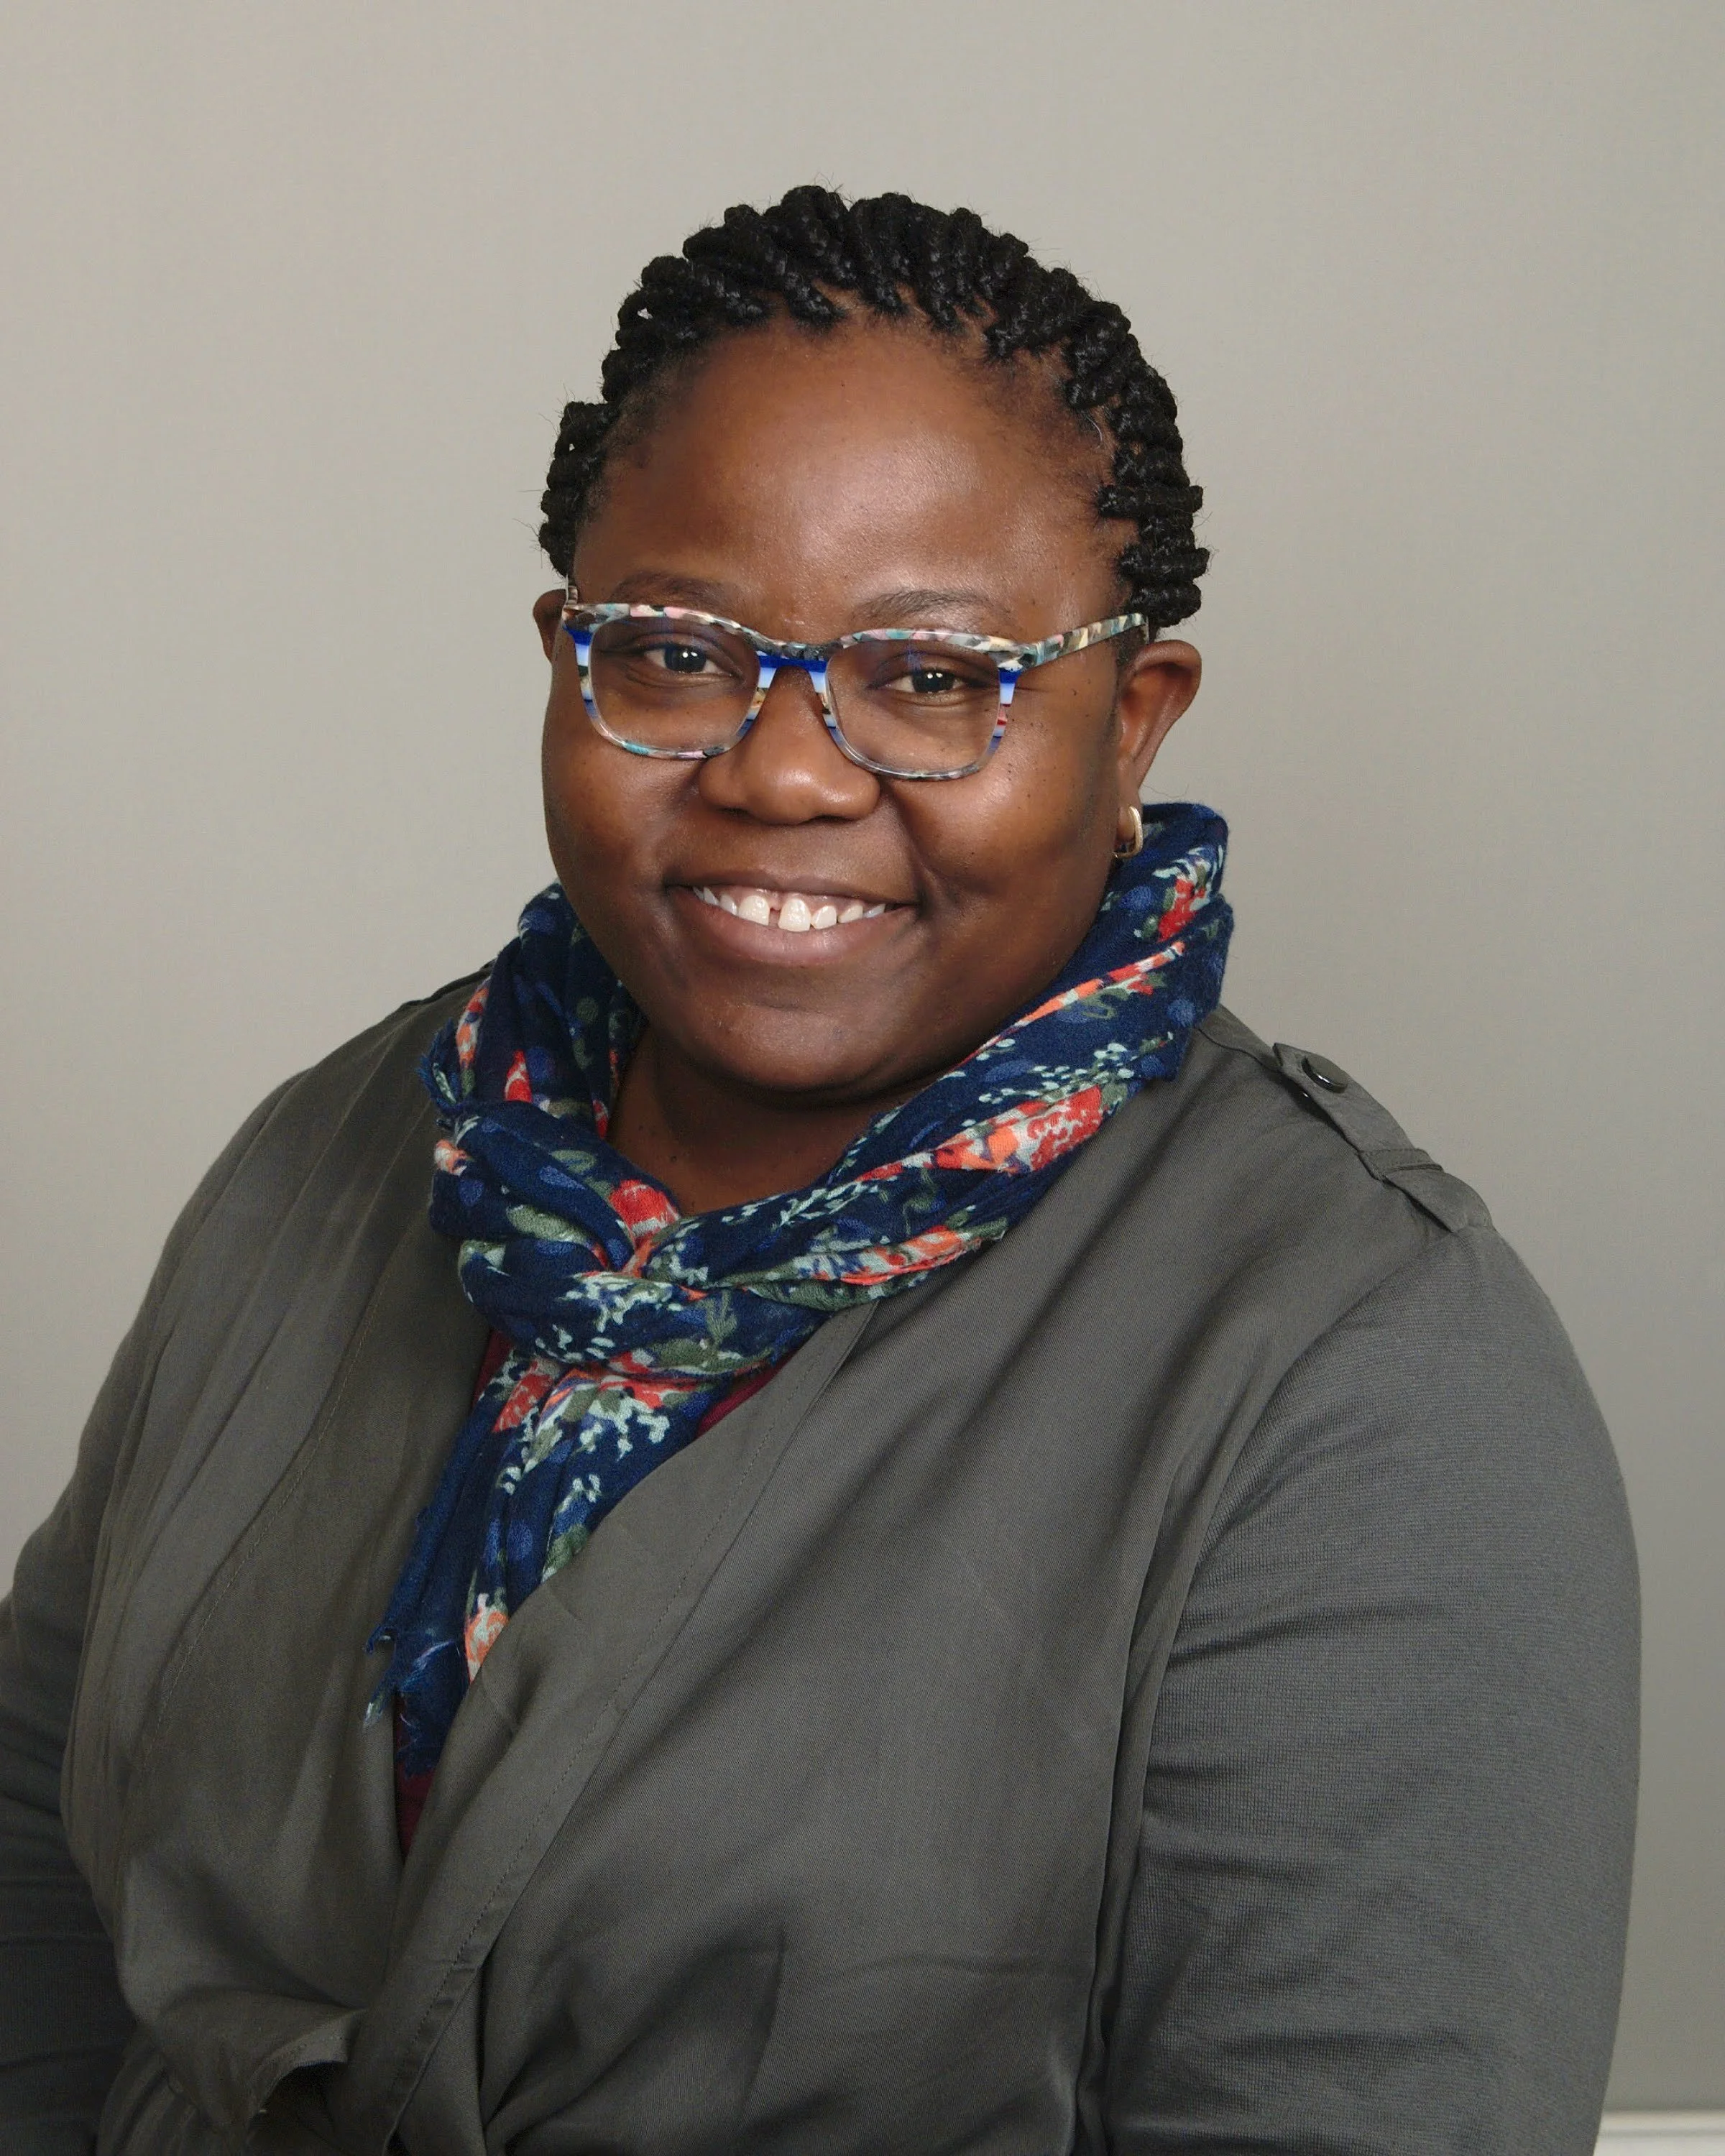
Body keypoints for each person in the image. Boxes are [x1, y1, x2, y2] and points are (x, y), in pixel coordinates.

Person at [0, 187, 1637, 2155]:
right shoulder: (336, 1156)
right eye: (681, 655)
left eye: (936, 680)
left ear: (1135, 722)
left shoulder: (1367, 1381)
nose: (784, 771)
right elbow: (39, 1830)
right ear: (564, 658)